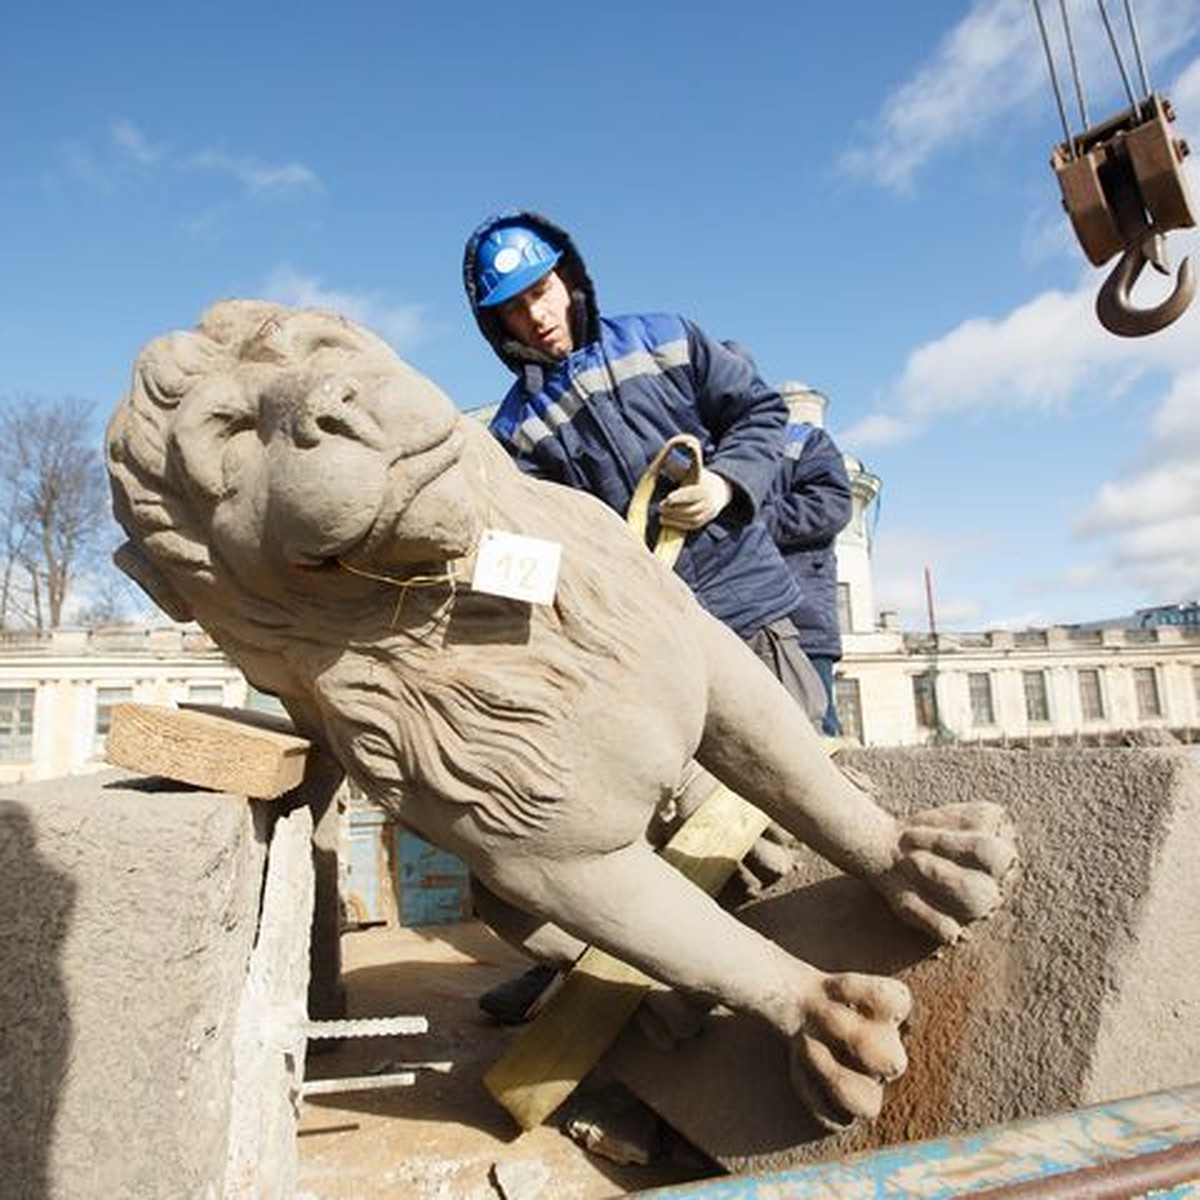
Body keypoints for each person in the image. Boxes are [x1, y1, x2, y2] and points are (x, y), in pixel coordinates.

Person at [461, 210, 824, 1021]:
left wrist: (728, 483)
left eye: (543, 292)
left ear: (571, 278)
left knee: (788, 799)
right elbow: (528, 554)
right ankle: (604, 973)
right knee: (671, 827)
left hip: (745, 608)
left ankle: (805, 961)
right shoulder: (516, 433)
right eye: (514, 310)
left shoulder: (665, 340)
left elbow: (764, 416)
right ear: (496, 324)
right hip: (644, 653)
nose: (537, 317)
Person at [760, 411, 854, 738]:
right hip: (734, 625)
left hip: (802, 626)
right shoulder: (710, 448)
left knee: (814, 735)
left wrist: (745, 521)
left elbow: (832, 505)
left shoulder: (803, 441)